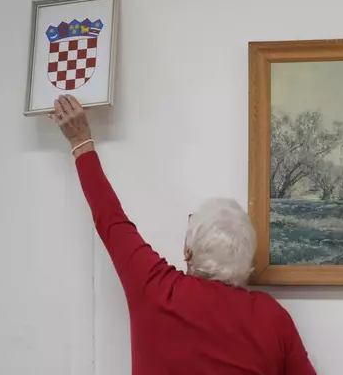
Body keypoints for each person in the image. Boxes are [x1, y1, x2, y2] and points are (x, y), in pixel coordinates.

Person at [49, 95, 317, 375]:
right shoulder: (272, 317)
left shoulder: (156, 288)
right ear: (246, 265)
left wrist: (80, 141)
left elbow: (111, 219)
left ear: (188, 252)